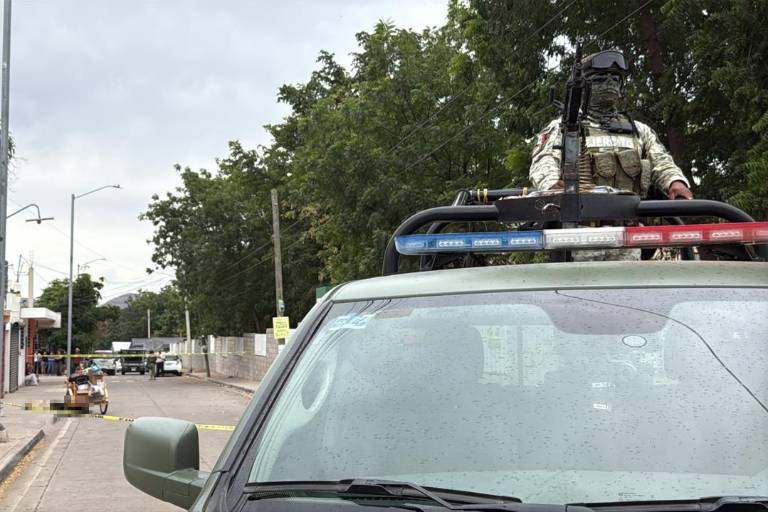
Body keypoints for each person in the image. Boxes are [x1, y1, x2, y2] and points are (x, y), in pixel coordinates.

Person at [529, 49, 693, 200]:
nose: (609, 84)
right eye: (600, 79)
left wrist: (675, 182)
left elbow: (662, 163)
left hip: (633, 221)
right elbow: (544, 161)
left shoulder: (639, 130)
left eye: (614, 79)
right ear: (584, 87)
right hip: (580, 223)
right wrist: (552, 185)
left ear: (621, 87)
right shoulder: (564, 127)